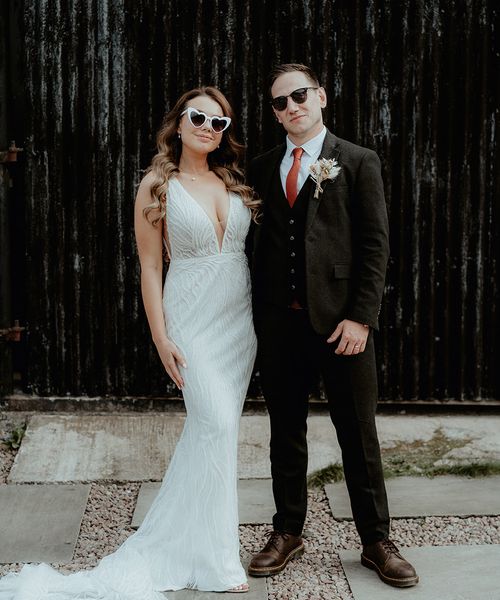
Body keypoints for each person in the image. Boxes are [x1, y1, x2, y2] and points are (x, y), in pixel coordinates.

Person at [0, 87, 258, 598]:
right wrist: (161, 336)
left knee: (216, 434)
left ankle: (208, 547)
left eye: (219, 123)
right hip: (191, 317)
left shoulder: (232, 182)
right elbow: (148, 266)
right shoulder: (156, 186)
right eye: (199, 117)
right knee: (216, 421)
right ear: (179, 123)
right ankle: (211, 557)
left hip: (238, 321)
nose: (208, 127)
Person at [246, 63, 419, 589]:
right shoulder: (262, 166)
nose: (291, 106)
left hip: (343, 326)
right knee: (285, 432)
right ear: (274, 113)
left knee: (358, 434)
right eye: (280, 102)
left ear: (320, 96)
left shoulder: (359, 161)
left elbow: (375, 245)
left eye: (299, 95)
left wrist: (361, 317)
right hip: (281, 324)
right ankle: (287, 531)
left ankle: (376, 540)